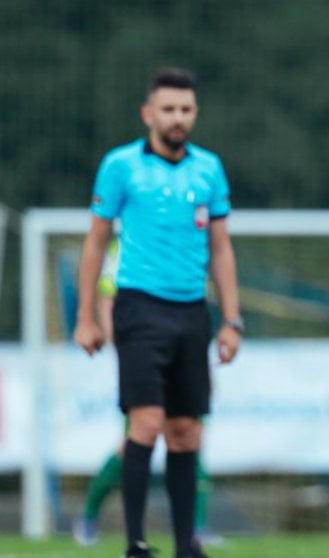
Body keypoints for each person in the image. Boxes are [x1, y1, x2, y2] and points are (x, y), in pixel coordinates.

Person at [74, 66, 242, 558]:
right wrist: (86, 316)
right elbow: (95, 242)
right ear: (149, 113)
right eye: (168, 109)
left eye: (186, 110)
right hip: (138, 309)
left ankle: (186, 544)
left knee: (187, 430)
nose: (178, 118)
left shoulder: (209, 168)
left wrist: (231, 320)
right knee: (145, 424)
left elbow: (221, 249)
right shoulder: (120, 166)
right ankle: (136, 544)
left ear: (194, 114)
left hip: (192, 312)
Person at [73, 240, 225, 548]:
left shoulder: (184, 240)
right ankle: (93, 518)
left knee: (190, 434)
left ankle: (194, 530)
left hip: (182, 349)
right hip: (144, 354)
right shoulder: (125, 245)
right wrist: (126, 349)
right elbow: (107, 297)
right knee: (133, 442)